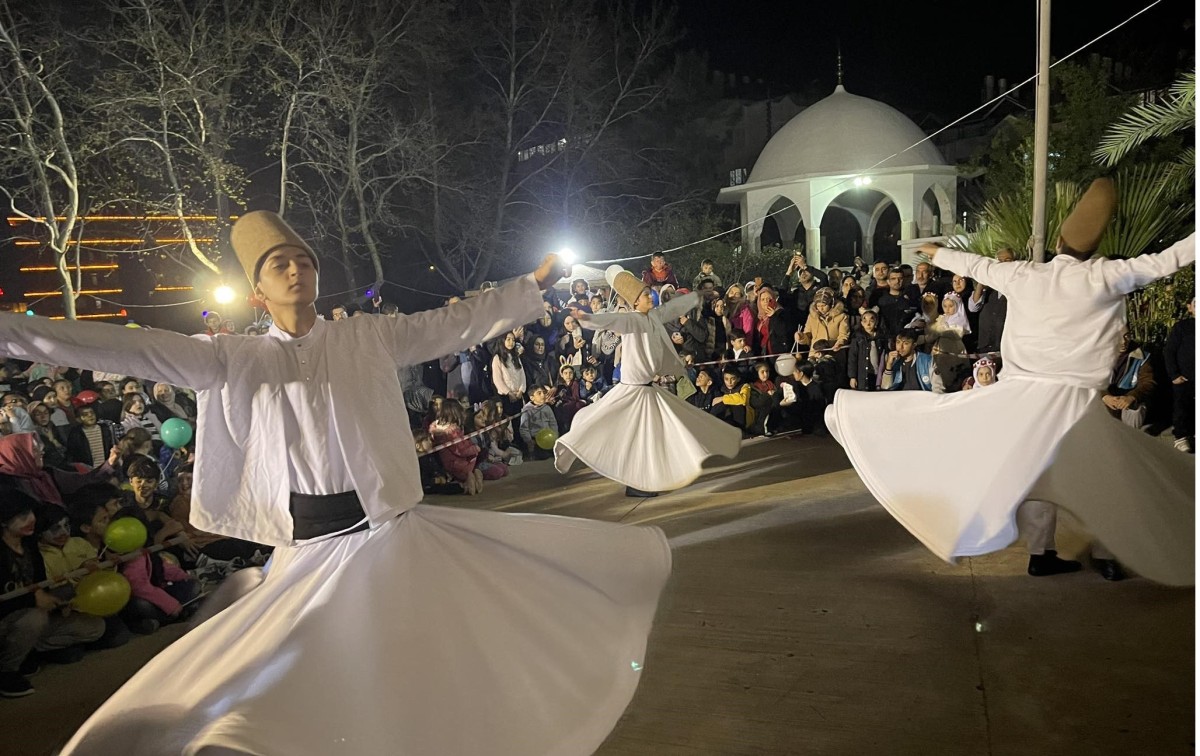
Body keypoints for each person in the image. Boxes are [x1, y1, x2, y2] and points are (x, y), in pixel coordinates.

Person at [4, 210, 670, 755]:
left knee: (425, 663)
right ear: (257, 291)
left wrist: (530, 287)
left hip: (389, 534)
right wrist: (14, 334)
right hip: (311, 554)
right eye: (278, 265)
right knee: (299, 683)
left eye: (303, 260)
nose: (295, 269)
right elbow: (109, 345)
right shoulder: (228, 360)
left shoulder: (366, 339)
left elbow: (452, 324)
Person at [826, 178, 1195, 585]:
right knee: (1105, 478)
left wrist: (939, 252)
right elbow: (1171, 259)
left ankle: (1042, 553)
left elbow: (978, 266)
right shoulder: (1107, 275)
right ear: (1096, 246)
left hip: (1023, 394)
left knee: (1033, 472)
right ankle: (1104, 555)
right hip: (1073, 399)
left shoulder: (1026, 275)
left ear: (1057, 240)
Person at [554, 267, 741, 498]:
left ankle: (646, 480)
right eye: (644, 295)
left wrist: (698, 296)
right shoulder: (631, 320)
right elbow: (610, 320)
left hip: (647, 390)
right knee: (635, 436)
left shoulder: (652, 316)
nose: (649, 297)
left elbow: (673, 308)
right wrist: (587, 318)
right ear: (634, 302)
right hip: (632, 391)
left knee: (654, 434)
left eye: (648, 293)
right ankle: (638, 482)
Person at [1163, 298, 1195, 452]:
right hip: (1184, 378)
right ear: (1190, 307)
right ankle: (1181, 437)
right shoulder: (1182, 327)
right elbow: (1169, 351)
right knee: (1182, 408)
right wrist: (1174, 375)